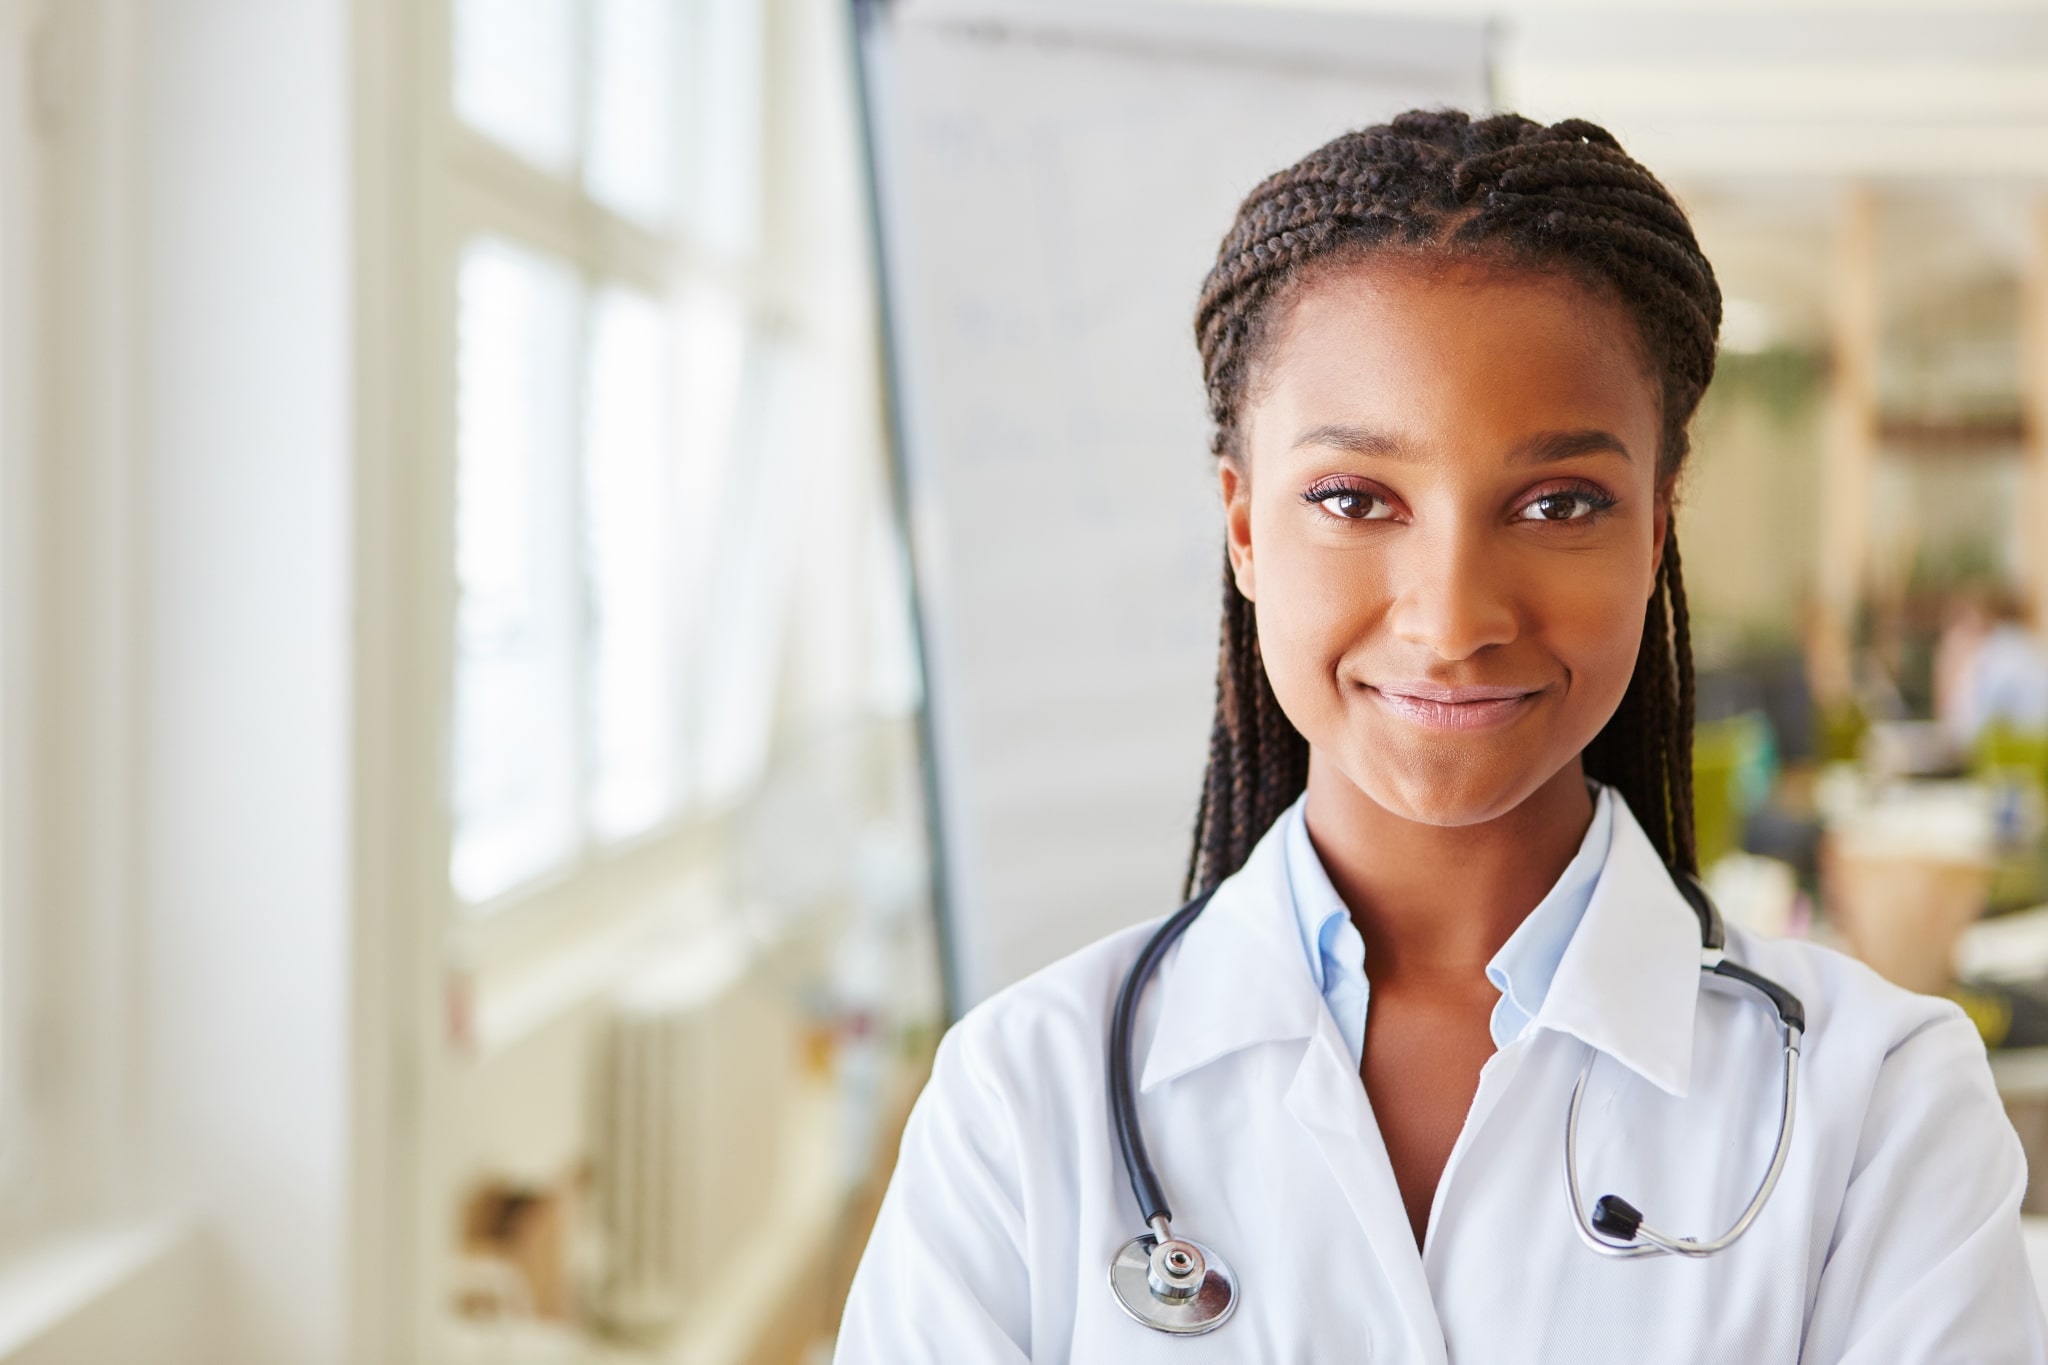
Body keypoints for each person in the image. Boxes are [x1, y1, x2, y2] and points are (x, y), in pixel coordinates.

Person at [835, 112, 2043, 1362]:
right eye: (1354, 500)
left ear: (1652, 528)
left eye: (1557, 502)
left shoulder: (1882, 1107)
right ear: (1242, 527)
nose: (1452, 618)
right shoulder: (1020, 1100)